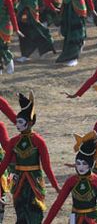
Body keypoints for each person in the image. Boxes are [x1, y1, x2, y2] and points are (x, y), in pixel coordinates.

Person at [0, 93, 60, 223]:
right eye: (17, 121)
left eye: (20, 122)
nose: (17, 124)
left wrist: (55, 186)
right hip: (19, 182)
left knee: (35, 212)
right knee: (20, 211)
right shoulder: (13, 141)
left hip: (34, 181)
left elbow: (46, 167)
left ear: (30, 122)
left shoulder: (38, 141)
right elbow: (4, 164)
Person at [43, 134, 97, 224]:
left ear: (90, 164)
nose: (81, 167)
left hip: (92, 219)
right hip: (73, 218)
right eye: (78, 163)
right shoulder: (71, 181)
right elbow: (57, 204)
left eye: (84, 163)